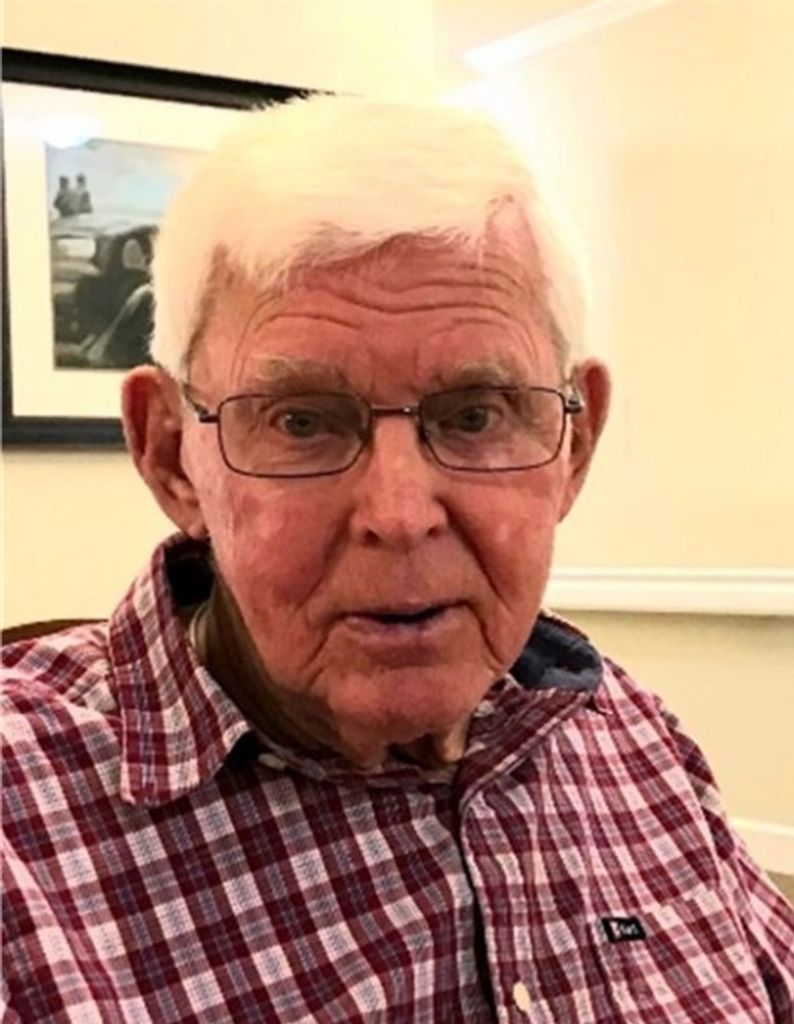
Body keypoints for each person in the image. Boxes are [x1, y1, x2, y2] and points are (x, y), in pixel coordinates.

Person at [2, 96, 792, 1023]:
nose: (400, 515)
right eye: (302, 421)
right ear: (173, 455)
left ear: (574, 446)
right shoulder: (21, 832)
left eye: (476, 415)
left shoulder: (627, 734)